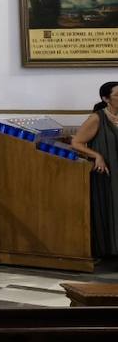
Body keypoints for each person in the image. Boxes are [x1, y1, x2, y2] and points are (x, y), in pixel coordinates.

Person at [71, 80, 118, 257]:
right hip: (107, 174)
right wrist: (97, 156)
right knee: (111, 210)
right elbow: (76, 142)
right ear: (106, 98)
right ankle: (111, 252)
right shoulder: (97, 118)